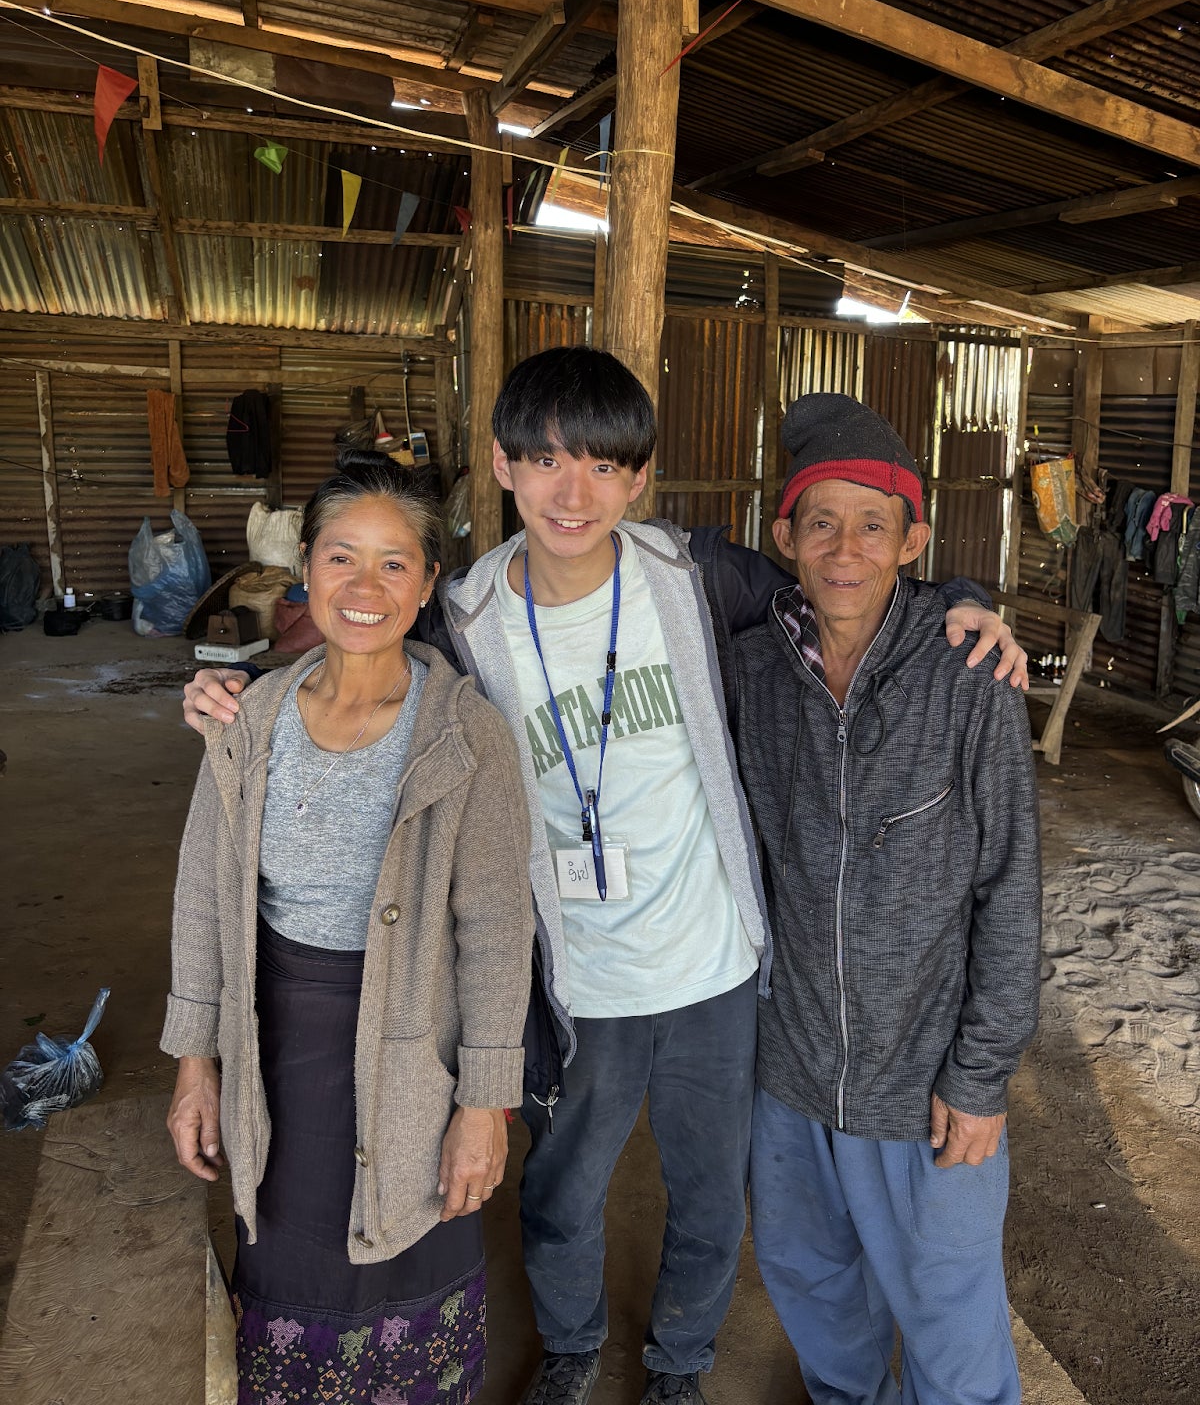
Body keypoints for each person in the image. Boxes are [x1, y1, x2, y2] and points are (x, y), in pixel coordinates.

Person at [182, 348, 1028, 1405]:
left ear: (639, 477)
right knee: (563, 1190)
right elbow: (365, 633)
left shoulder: (700, 578)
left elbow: (851, 574)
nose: (571, 492)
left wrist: (965, 600)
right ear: (502, 466)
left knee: (711, 1194)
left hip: (714, 967)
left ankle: (679, 1363)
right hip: (573, 975)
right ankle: (574, 1348)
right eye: (544, 460)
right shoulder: (465, 618)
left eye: (600, 465)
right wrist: (247, 687)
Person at [162, 450, 533, 1405]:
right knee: (285, 1274)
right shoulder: (249, 718)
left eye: (393, 563)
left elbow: (498, 933)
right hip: (277, 1049)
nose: (364, 588)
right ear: (306, 569)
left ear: (428, 583)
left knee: (410, 1257)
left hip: (414, 1055)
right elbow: (203, 894)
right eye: (341, 558)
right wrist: (196, 1061)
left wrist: (483, 1106)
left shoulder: (466, 734)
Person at [734, 394, 1042, 1405]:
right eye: (821, 521)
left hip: (923, 1084)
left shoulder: (968, 677)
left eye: (874, 524)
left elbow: (1009, 887)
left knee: (953, 1330)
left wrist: (982, 1075)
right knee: (815, 1289)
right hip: (790, 1071)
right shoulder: (751, 671)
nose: (845, 548)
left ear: (913, 541)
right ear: (785, 534)